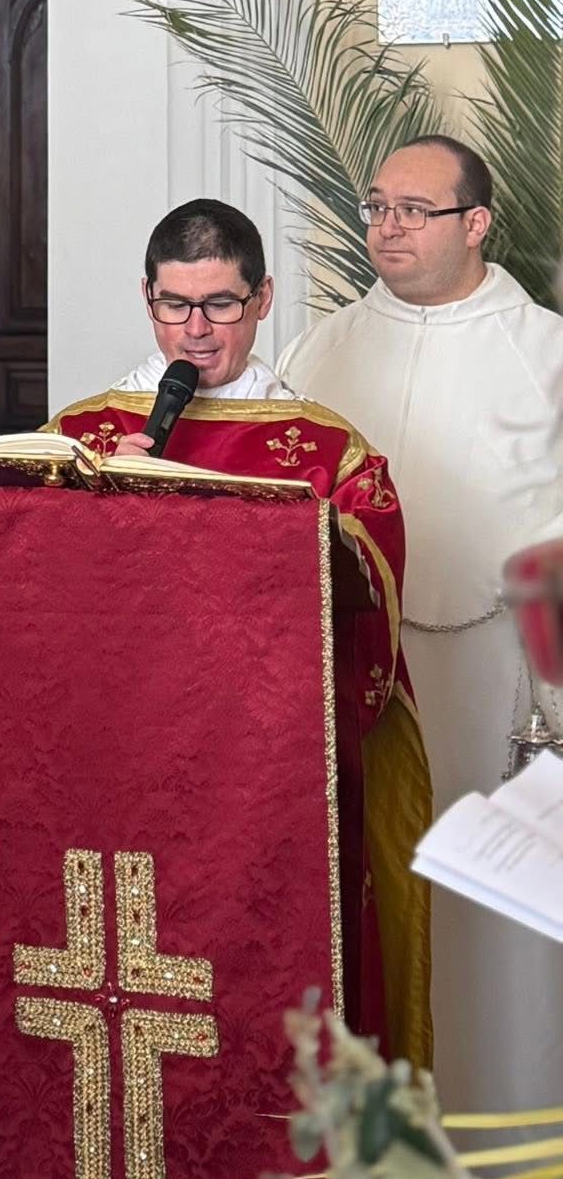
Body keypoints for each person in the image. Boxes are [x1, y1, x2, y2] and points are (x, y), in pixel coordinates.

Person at [50, 197, 432, 1066]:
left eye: (220, 304)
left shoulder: (325, 451)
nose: (195, 330)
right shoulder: (79, 438)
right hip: (116, 766)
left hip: (258, 774)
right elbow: (28, 601)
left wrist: (281, 534)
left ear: (262, 299)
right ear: (146, 297)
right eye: (173, 304)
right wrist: (88, 508)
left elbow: (370, 596)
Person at [277, 135, 563, 1109]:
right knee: (375, 904)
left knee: (497, 922)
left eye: (413, 209)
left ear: (476, 223)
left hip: (502, 686)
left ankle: (512, 1125)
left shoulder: (545, 354)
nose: (385, 227)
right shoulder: (322, 350)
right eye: (377, 206)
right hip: (359, 683)